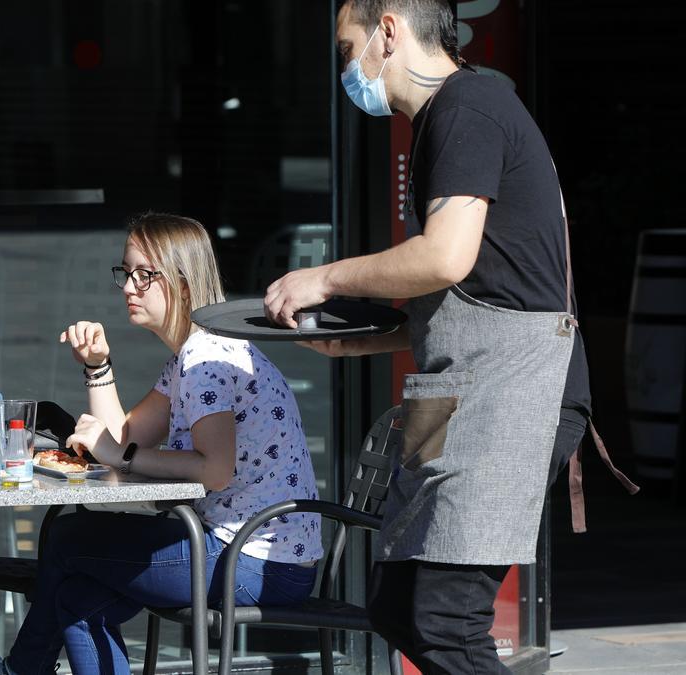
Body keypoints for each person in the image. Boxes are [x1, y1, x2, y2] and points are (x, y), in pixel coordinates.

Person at [262, 2, 632, 672]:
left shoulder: (468, 109)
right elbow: (483, 289)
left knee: (446, 618)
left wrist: (324, 279)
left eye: (348, 47)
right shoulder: (449, 117)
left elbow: (446, 257)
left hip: (514, 393)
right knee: (398, 603)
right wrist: (363, 341)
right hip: (460, 389)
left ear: (391, 30)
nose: (345, 66)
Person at [0, 213, 323, 675]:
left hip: (255, 560)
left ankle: (16, 672)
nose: (128, 287)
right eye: (125, 273)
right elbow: (123, 437)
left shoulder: (205, 357)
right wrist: (98, 366)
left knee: (68, 538)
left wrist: (120, 455)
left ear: (184, 285)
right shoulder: (193, 353)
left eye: (145, 276)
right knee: (80, 601)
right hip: (247, 551)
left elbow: (214, 469)